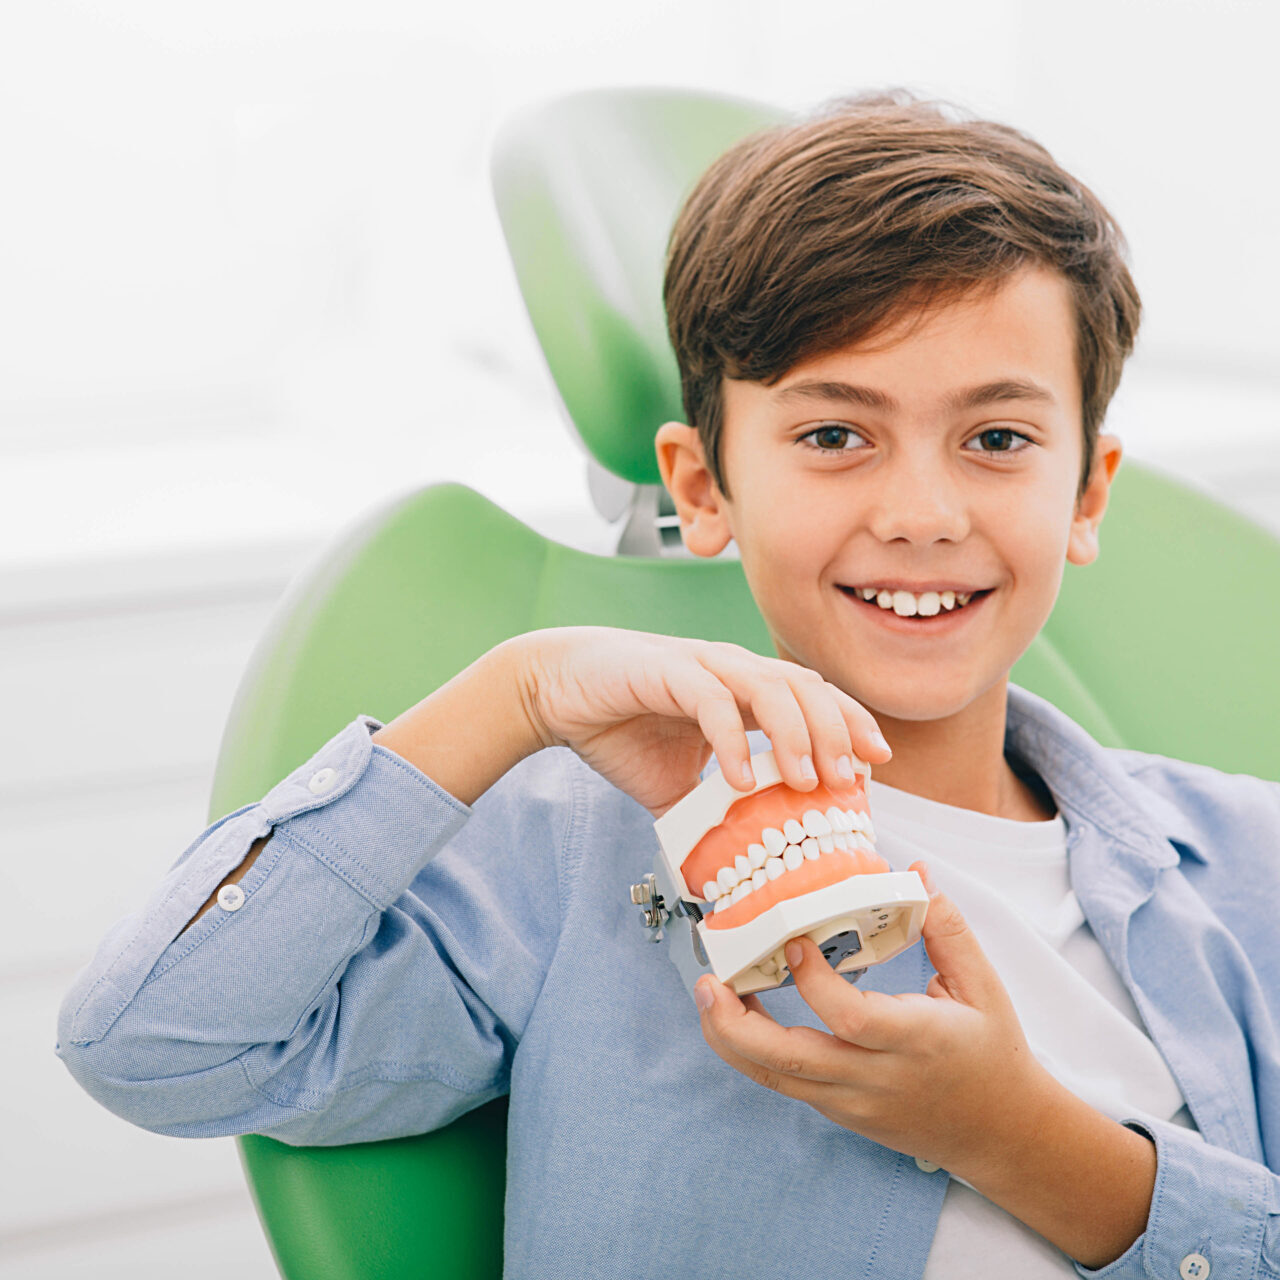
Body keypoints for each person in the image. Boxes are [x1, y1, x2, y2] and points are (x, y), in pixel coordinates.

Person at [55, 89, 1280, 1278]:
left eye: (996, 438)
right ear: (702, 487)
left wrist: (1016, 1135)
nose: (920, 513)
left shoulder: (1245, 861)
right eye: (833, 434)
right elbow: (152, 1045)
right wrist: (513, 696)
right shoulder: (581, 860)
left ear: (1086, 490)